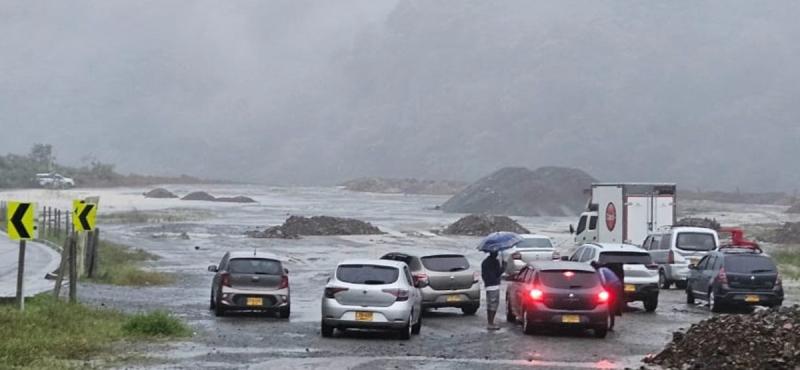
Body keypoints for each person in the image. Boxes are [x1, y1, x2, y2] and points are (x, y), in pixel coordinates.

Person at [592, 261, 622, 330]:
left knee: (610, 304)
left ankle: (611, 324)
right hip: (617, 284)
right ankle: (612, 323)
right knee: (612, 304)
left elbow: (603, 281)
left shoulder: (600, 271)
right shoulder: (605, 269)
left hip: (613, 286)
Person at [481, 251, 504, 330]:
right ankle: (491, 323)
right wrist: (504, 266)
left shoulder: (484, 262)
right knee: (494, 304)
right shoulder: (495, 262)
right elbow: (498, 273)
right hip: (494, 285)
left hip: (488, 285)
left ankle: (490, 322)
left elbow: (483, 274)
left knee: (490, 304)